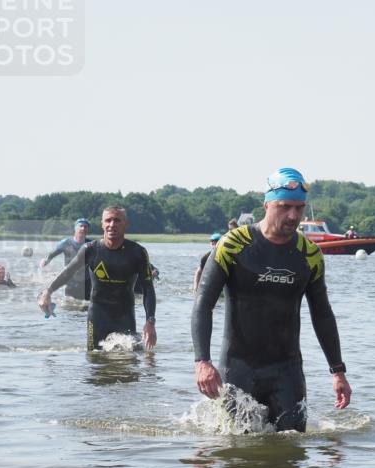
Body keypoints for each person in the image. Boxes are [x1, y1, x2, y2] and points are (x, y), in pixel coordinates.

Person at [191, 167, 351, 432]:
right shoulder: (233, 245)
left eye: (299, 208)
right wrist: (202, 363)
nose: (293, 215)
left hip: (287, 371)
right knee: (237, 457)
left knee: (292, 449)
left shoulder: (309, 254)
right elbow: (202, 304)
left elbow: (322, 313)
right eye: (284, 206)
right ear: (267, 204)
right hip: (238, 369)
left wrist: (338, 372)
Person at [38, 206, 156, 351]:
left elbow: (148, 288)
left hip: (125, 315)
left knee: (131, 361)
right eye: (108, 220)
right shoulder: (90, 249)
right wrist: (47, 292)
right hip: (98, 314)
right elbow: (68, 272)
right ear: (102, 224)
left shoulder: (138, 252)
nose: (112, 224)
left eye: (117, 220)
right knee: (95, 360)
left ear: (126, 224)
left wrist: (150, 322)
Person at [40, 218, 91, 300]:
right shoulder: (65, 243)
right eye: (81, 226)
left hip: (86, 279)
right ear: (75, 228)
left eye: (85, 227)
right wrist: (47, 260)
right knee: (69, 304)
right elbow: (54, 252)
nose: (83, 228)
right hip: (70, 278)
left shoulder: (90, 244)